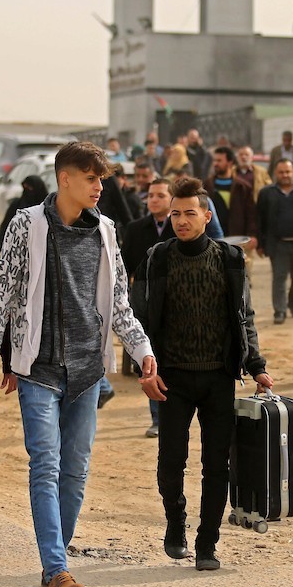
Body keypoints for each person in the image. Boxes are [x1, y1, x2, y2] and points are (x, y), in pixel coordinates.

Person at [0, 141, 157, 587]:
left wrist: (141, 348)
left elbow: (119, 303)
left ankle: (54, 560)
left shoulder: (106, 231)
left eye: (101, 179)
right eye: (91, 178)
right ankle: (57, 569)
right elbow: (0, 294)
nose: (99, 187)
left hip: (88, 371)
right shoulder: (27, 224)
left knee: (75, 471)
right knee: (46, 465)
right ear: (65, 179)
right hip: (38, 368)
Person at [134, 177, 273, 571]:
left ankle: (207, 542)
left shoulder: (229, 259)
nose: (181, 220)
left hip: (218, 378)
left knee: (216, 465)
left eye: (189, 213)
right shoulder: (157, 258)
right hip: (172, 379)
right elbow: (138, 319)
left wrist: (257, 366)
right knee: (170, 463)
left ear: (206, 216)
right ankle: (175, 523)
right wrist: (144, 367)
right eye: (176, 214)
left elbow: (244, 317)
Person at [122, 176, 175, 437]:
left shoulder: (182, 226)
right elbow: (124, 266)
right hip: (146, 306)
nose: (154, 200)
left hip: (179, 304)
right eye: (151, 195)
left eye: (160, 195)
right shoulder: (135, 229)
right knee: (152, 360)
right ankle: (158, 418)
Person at [257, 159, 293, 323]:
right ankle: (279, 311)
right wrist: (261, 243)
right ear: (275, 173)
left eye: (288, 172)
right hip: (278, 243)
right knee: (279, 278)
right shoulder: (266, 193)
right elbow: (260, 219)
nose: (285, 175)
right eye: (281, 172)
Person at [207, 146, 257, 240]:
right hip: (213, 238)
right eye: (214, 160)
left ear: (230, 162)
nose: (215, 164)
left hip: (237, 238)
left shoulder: (242, 187)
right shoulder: (207, 186)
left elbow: (251, 214)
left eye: (219, 161)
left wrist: (252, 235)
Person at [0, 175, 48, 252]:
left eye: (30, 188)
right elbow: (5, 229)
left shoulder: (47, 210)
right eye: (25, 187)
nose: (27, 191)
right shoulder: (16, 206)